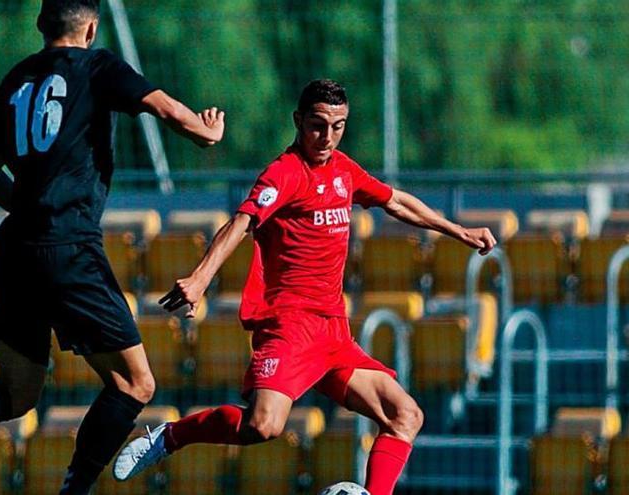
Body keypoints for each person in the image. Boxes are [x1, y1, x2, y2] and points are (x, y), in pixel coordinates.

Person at [0, 1, 225, 494]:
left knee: (16, 394)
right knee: (135, 384)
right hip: (69, 248)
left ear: (43, 25)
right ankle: (75, 489)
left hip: (15, 246)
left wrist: (32, 207)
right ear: (92, 27)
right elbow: (168, 110)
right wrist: (205, 129)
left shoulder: (18, 76)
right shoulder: (99, 64)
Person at [113, 79, 497, 495]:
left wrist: (458, 230)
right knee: (263, 425)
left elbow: (396, 201)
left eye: (338, 126)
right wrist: (201, 278)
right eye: (317, 125)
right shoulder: (285, 173)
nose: (327, 137)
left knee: (405, 415)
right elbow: (242, 221)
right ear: (298, 121)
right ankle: (169, 437)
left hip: (332, 331)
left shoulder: (344, 171)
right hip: (289, 326)